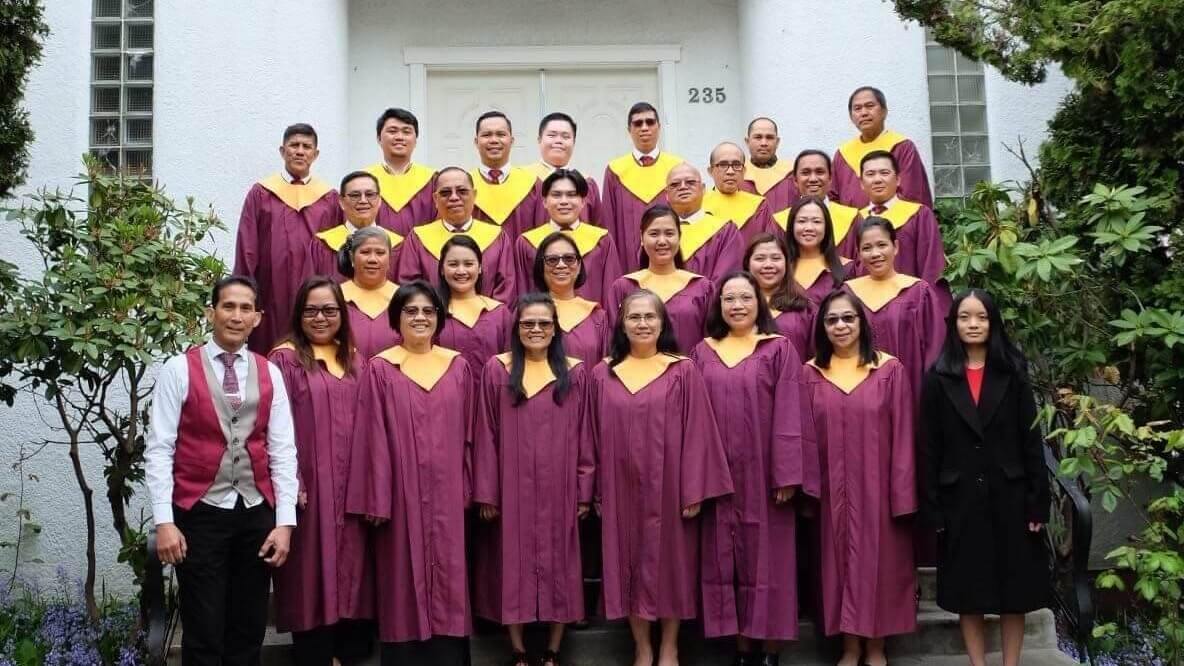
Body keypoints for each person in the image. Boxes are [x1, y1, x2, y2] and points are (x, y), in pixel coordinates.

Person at [146, 275, 298, 666]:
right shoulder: (178, 369)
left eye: (246, 308)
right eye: (228, 306)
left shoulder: (270, 373)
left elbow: (282, 451)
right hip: (199, 514)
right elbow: (160, 449)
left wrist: (284, 523)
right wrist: (165, 521)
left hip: (255, 514)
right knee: (203, 629)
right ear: (210, 312)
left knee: (248, 630)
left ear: (258, 318)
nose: (236, 316)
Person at [591, 289, 733, 666]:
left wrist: (694, 489)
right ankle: (642, 646)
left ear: (662, 323)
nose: (642, 324)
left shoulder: (681, 370)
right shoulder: (602, 374)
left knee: (673, 565)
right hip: (620, 488)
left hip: (670, 489)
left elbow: (699, 433)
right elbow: (588, 437)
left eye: (650, 317)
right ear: (622, 324)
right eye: (634, 317)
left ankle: (669, 646)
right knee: (629, 562)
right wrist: (594, 491)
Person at [345, 280, 473, 666]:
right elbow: (372, 436)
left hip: (449, 497)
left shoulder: (458, 367)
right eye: (411, 311)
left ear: (439, 318)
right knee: (402, 577)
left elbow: (472, 435)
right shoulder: (382, 368)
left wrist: (469, 489)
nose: (420, 318)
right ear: (396, 319)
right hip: (399, 498)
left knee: (450, 579)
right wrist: (378, 498)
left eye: (428, 311)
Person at [692, 271, 816, 666]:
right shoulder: (703, 352)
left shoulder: (778, 349)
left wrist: (787, 475)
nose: (737, 305)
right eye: (729, 299)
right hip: (719, 475)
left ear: (759, 304)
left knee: (770, 559)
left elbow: (791, 415)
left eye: (745, 298)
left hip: (765, 475)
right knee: (724, 556)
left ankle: (770, 650)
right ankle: (742, 647)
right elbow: (692, 419)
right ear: (719, 305)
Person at [920, 289, 1050, 666]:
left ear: (993, 323)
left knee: (1016, 592)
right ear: (954, 323)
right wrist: (933, 509)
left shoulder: (1013, 372)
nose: (973, 324)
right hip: (958, 499)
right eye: (964, 317)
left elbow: (1031, 439)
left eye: (981, 317)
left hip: (1010, 495)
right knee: (967, 591)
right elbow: (929, 447)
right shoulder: (938, 377)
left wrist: (1036, 503)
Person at [473, 293, 595, 666]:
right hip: (512, 489)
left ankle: (554, 649)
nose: (536, 330)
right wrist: (488, 493)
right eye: (528, 323)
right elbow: (485, 434)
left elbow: (586, 435)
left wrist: (583, 490)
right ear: (516, 328)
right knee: (512, 562)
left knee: (563, 561)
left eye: (544, 323)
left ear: (556, 329)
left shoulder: (574, 372)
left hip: (560, 488)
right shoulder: (497, 370)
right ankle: (519, 649)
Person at [800, 291, 917, 666]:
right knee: (838, 567)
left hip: (878, 488)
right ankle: (849, 647)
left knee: (879, 566)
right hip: (831, 488)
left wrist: (901, 494)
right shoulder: (811, 372)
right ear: (822, 327)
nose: (840, 326)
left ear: (863, 323)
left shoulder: (888, 369)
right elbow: (801, 436)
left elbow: (903, 436)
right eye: (832, 320)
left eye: (848, 318)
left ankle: (877, 647)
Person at [270, 277, 373, 666]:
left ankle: (350, 651)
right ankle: (314, 652)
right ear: (298, 314)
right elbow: (273, 427)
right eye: (311, 310)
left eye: (329, 310)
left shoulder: (354, 359)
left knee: (354, 565)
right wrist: (291, 480)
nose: (320, 317)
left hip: (352, 485)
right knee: (311, 568)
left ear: (342, 315)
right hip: (309, 486)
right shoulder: (285, 359)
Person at [235, 123, 339, 352]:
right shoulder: (261, 193)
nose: (300, 151)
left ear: (315, 154)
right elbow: (247, 248)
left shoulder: (329, 198)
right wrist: (244, 297)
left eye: (306, 146)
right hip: (270, 292)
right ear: (283, 151)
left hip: (315, 291)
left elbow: (335, 250)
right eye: (294, 145)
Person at [844, 216, 945, 400]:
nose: (875, 254)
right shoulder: (848, 295)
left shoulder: (918, 292)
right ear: (858, 253)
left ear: (895, 247)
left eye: (882, 245)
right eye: (867, 248)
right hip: (859, 397)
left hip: (911, 393)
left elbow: (935, 350)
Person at [396, 167, 516, 302]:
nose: (454, 197)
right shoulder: (418, 238)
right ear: (435, 199)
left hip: (487, 320)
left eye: (462, 191)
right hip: (435, 320)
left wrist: (488, 318)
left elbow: (506, 290)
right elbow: (411, 290)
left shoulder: (497, 237)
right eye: (445, 193)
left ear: (474, 195)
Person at [606, 205, 713, 355]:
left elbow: (710, 347)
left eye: (669, 233)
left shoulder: (701, 287)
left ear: (679, 237)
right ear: (642, 238)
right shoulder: (624, 287)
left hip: (688, 376)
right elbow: (615, 343)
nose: (662, 241)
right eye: (654, 234)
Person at [838, 150, 946, 290]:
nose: (877, 179)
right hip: (865, 304)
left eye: (884, 173)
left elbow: (932, 267)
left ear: (898, 179)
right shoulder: (854, 220)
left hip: (910, 304)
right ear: (862, 183)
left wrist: (926, 302)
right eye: (870, 174)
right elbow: (849, 270)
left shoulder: (919, 215)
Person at [514, 169, 622, 305]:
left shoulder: (602, 240)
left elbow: (610, 293)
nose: (564, 201)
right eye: (556, 195)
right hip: (544, 323)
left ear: (583, 201)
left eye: (571, 195)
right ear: (545, 202)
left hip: (593, 324)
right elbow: (522, 293)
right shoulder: (526, 243)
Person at [601, 102, 685, 271]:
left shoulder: (677, 168)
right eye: (638, 123)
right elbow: (609, 223)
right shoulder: (615, 171)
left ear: (659, 127)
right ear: (629, 130)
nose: (644, 128)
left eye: (650, 122)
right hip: (627, 265)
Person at [830, 86, 933, 209]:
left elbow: (912, 195)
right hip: (852, 226)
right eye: (857, 108)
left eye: (870, 106)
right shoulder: (842, 154)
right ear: (851, 117)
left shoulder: (902, 147)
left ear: (884, 111)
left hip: (892, 225)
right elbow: (834, 199)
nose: (863, 113)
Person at [530, 232, 611, 366]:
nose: (561, 265)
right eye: (552, 260)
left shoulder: (598, 317)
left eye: (569, 259)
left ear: (579, 266)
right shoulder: (527, 314)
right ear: (541, 267)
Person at [435, 235, 511, 379]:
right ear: (442, 270)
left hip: (491, 397)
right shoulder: (432, 314)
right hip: (449, 397)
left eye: (468, 264)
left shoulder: (499, 314)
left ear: (480, 268)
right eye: (453, 264)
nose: (461, 271)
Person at [308, 171, 403, 282]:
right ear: (341, 202)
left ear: (379, 201)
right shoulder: (322, 244)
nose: (363, 200)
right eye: (355, 195)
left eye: (370, 195)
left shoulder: (397, 246)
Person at [470, 111, 547, 237]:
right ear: (476, 141)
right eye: (486, 135)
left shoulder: (533, 186)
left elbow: (542, 235)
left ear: (511, 140)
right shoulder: (464, 187)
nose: (494, 140)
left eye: (501, 134)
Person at [666, 162, 744, 283]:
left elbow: (726, 279)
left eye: (690, 182)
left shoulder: (726, 231)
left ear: (703, 189)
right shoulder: (656, 233)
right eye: (675, 184)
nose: (682, 187)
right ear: (667, 195)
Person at [364, 107, 437, 235]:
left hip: (421, 252)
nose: (399, 137)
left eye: (406, 132)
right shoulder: (364, 180)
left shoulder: (433, 180)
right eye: (392, 131)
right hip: (376, 252)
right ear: (379, 139)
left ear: (415, 141)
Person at [744, 234, 815, 358]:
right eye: (760, 258)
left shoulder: (806, 309)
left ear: (787, 264)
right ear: (747, 264)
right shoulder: (734, 308)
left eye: (776, 258)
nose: (768, 265)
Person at [337, 226, 401, 359]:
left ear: (389, 259)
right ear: (352, 257)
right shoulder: (335, 298)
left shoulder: (403, 299)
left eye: (380, 253)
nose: (372, 259)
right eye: (365, 252)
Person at [772, 150, 860, 244]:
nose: (813, 179)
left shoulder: (852, 218)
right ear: (795, 180)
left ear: (830, 178)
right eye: (805, 173)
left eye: (819, 172)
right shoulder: (780, 222)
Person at [527, 112, 602, 223]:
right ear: (539, 140)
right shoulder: (523, 180)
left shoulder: (587, 183)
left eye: (565, 136)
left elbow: (597, 228)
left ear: (574, 142)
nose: (558, 141)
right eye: (552, 135)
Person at [703, 142, 778, 245]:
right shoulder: (699, 206)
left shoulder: (759, 206)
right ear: (710, 171)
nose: (730, 171)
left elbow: (771, 245)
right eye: (723, 165)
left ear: (744, 171)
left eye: (737, 165)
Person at [782, 196, 851, 305]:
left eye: (816, 221)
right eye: (802, 221)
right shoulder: (780, 270)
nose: (809, 227)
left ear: (826, 227)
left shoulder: (847, 268)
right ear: (791, 226)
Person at [741, 117, 798, 214]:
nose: (764, 143)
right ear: (747, 141)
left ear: (777, 142)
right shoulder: (736, 174)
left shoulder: (793, 173)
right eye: (758, 137)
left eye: (769, 137)